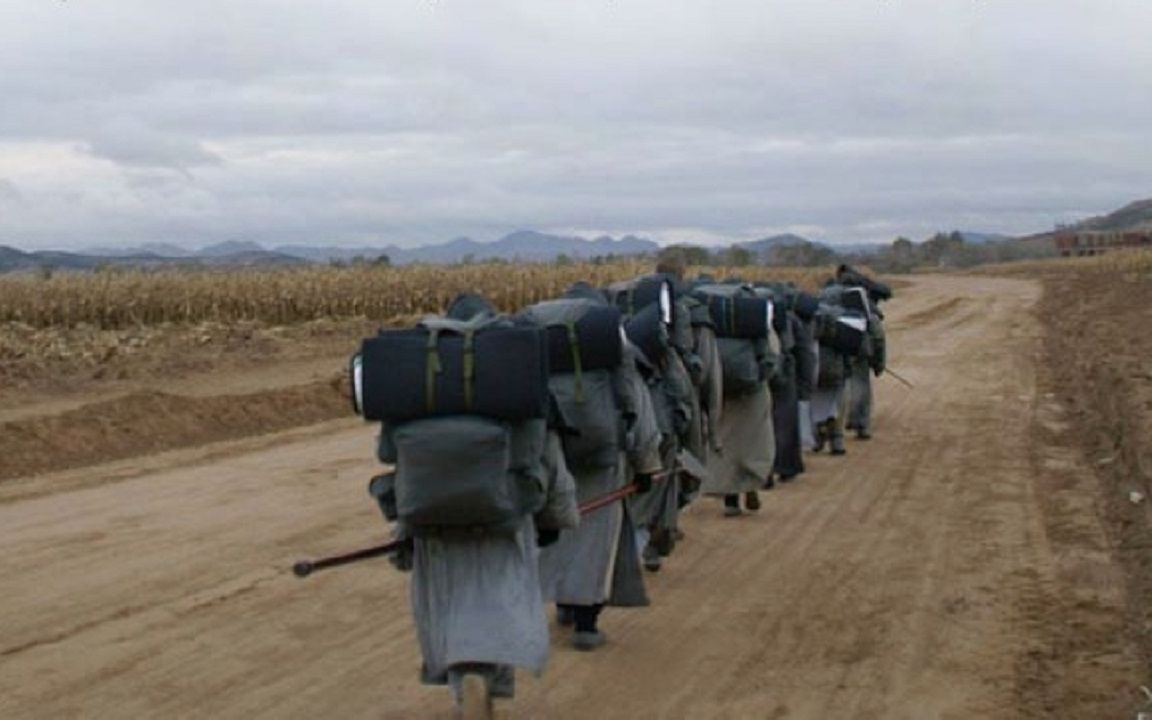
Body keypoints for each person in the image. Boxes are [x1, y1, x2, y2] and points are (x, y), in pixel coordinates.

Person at [378, 294, 578, 718]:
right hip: (505, 513)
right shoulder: (516, 370)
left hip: (429, 518)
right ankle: (490, 675)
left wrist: (402, 525)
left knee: (443, 603)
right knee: (503, 599)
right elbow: (542, 454)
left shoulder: (417, 377)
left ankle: (460, 685)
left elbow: (388, 454)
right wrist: (553, 515)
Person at [532, 283, 662, 651]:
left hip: (547, 449)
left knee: (555, 524)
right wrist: (645, 462)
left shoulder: (534, 337)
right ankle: (586, 623)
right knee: (595, 536)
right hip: (602, 452)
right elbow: (634, 402)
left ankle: (563, 603)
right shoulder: (611, 341)